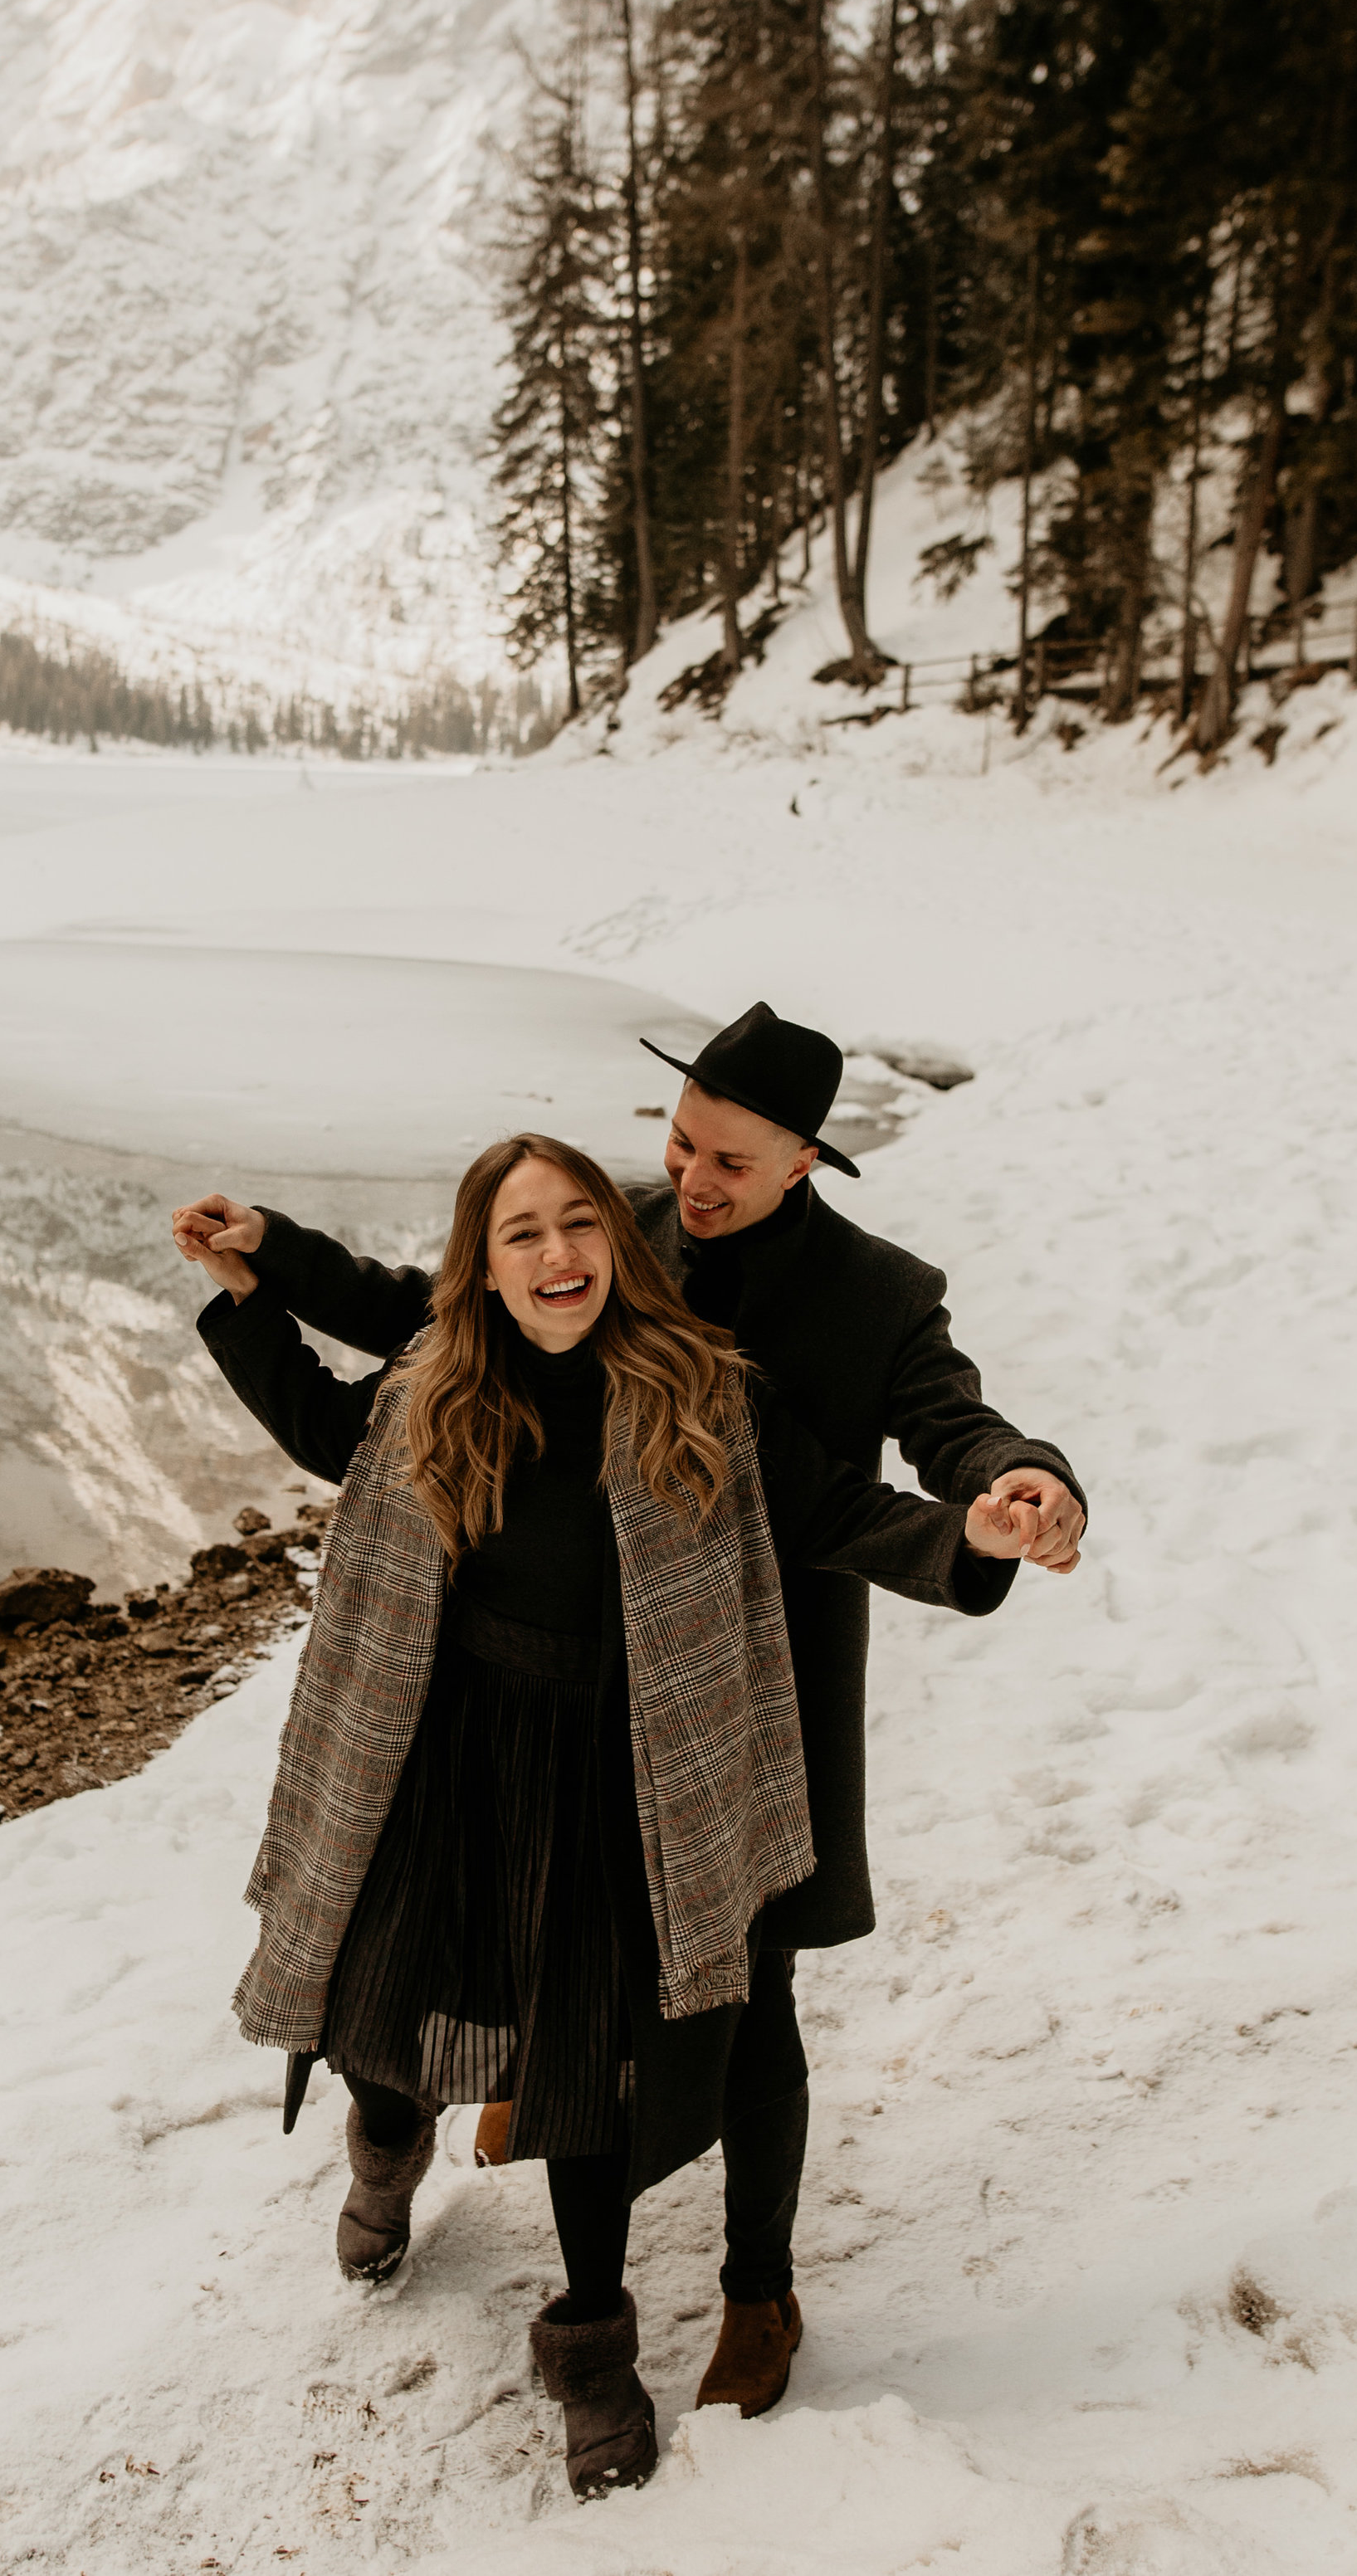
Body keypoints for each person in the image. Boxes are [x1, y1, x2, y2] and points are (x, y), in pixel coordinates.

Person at [174, 1003, 1087, 2432]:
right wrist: (269, 1260)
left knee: (747, 1992)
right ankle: (418, 2112)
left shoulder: (863, 1303)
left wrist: (1002, 1501)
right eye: (678, 1143)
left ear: (804, 1162)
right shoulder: (603, 1236)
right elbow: (432, 1313)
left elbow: (927, 1448)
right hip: (515, 1694)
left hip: (741, 1688)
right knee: (460, 1956)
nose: (693, 1178)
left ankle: (752, 2289)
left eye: (728, 1157)